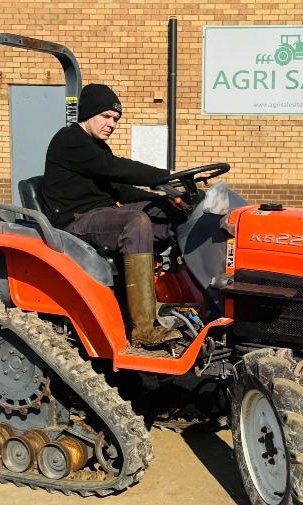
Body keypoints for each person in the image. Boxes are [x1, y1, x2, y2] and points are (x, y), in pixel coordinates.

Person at [41, 83, 184, 348]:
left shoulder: (96, 146)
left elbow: (119, 188)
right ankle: (144, 329)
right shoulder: (69, 140)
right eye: (106, 116)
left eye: (115, 119)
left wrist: (164, 197)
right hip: (75, 221)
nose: (112, 124)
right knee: (136, 222)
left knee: (172, 212)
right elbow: (114, 169)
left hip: (103, 213)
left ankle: (185, 301)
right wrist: (165, 176)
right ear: (88, 113)